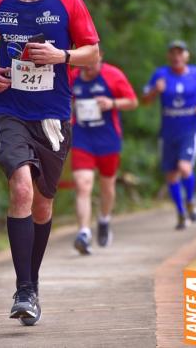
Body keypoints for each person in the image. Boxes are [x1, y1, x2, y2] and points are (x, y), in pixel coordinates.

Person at [0, 0, 99, 325]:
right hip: (9, 109)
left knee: (43, 203)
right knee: (21, 188)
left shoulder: (68, 2)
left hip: (52, 115)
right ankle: (23, 290)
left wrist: (62, 55)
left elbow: (93, 51)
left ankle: (33, 283)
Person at [70, 52, 138, 255]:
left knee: (107, 187)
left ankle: (104, 219)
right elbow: (63, 100)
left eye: (91, 65)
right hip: (82, 138)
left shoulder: (113, 75)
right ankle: (83, 232)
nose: (87, 69)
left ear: (100, 59)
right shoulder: (72, 76)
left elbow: (133, 101)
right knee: (83, 184)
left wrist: (112, 103)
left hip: (108, 140)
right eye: (84, 66)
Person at [142, 40, 196, 230]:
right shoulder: (161, 74)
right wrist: (155, 91)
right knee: (172, 175)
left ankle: (190, 200)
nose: (176, 57)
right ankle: (181, 213)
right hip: (168, 133)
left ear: (186, 56)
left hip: (190, 129)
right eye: (173, 53)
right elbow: (145, 100)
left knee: (184, 167)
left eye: (180, 53)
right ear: (169, 57)